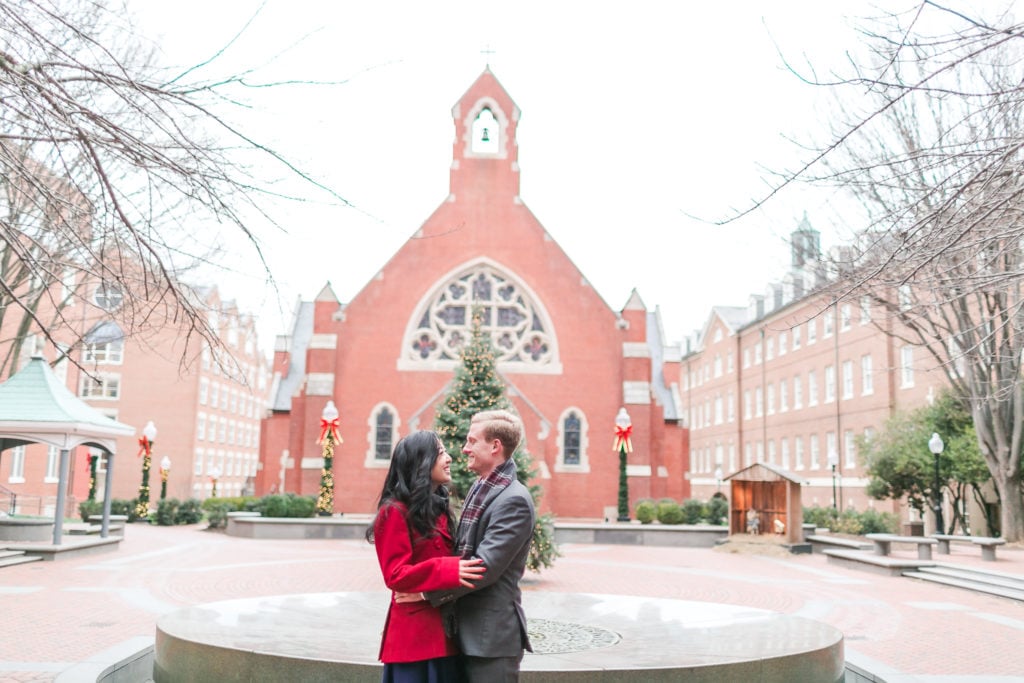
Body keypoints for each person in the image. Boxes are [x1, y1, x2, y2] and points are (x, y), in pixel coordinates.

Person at [400, 409, 536, 682]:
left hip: (490, 641)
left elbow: (483, 567)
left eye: (472, 441)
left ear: (495, 446)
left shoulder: (514, 500)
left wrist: (425, 595)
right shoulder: (481, 487)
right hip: (462, 631)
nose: (464, 449)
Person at [367, 430, 486, 683]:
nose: (449, 458)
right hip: (414, 642)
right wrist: (449, 570)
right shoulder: (394, 511)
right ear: (420, 462)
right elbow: (395, 575)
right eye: (440, 452)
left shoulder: (438, 508)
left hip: (445, 634)